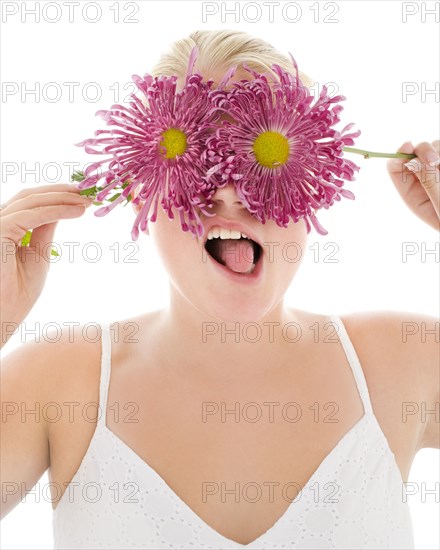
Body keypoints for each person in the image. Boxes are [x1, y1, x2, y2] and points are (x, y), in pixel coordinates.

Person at [1, 30, 438, 550]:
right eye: (197, 161)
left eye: (265, 161)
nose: (231, 191)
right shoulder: (57, 382)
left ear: (315, 188)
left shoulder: (405, 360)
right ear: (139, 189)